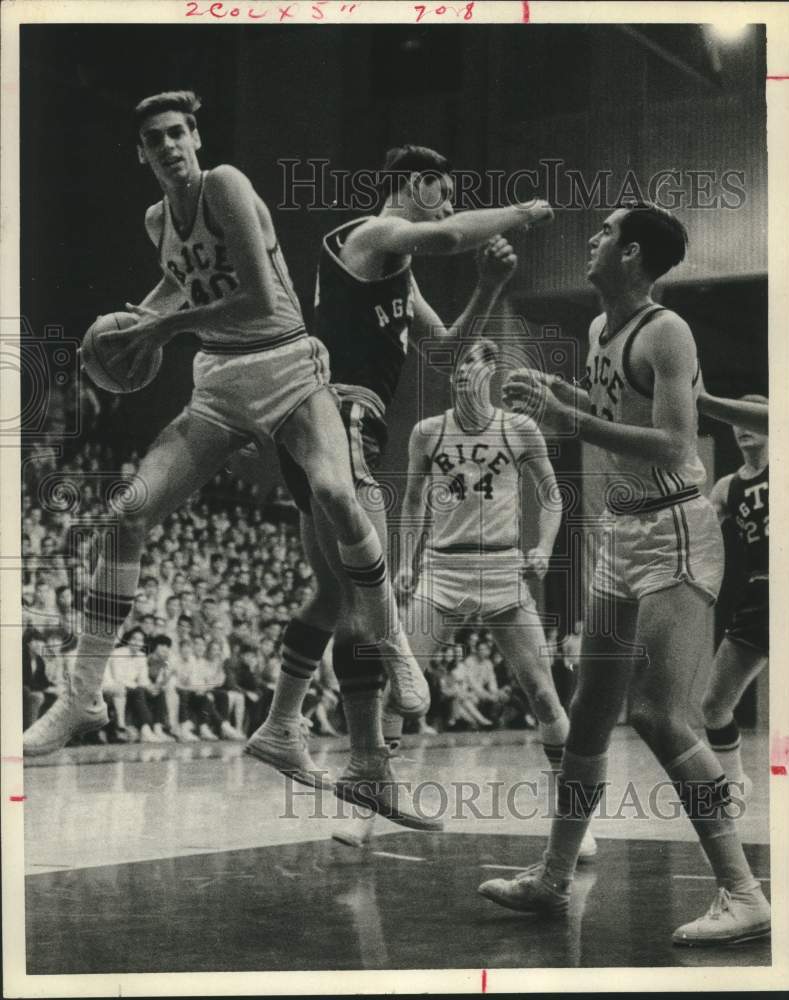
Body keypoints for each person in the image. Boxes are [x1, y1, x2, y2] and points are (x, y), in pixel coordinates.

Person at [23, 90, 426, 756]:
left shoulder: (226, 186)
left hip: (288, 366)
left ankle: (391, 637)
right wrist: (134, 324)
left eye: (177, 132)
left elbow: (258, 296)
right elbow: (180, 284)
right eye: (154, 139)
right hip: (219, 384)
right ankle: (82, 696)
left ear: (196, 138)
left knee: (335, 493)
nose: (168, 145)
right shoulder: (158, 220)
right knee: (126, 515)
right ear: (142, 154)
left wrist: (163, 328)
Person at [481, 203, 770, 946]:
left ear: (634, 253)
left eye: (605, 233)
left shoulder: (666, 330)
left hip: (674, 530)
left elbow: (673, 443)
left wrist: (566, 420)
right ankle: (553, 875)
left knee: (658, 714)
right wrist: (558, 395)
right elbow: (617, 408)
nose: (592, 239)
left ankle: (743, 894)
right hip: (620, 534)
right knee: (588, 713)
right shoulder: (597, 330)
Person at [248, 144, 553, 824]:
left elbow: (445, 352)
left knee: (335, 593)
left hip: (323, 428)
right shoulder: (371, 235)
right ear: (414, 185)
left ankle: (281, 726)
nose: (448, 208)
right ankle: (367, 764)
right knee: (368, 592)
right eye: (442, 192)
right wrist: (521, 213)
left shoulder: (399, 272)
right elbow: (446, 236)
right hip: (341, 419)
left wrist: (488, 287)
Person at [392, 338, 594, 857]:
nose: (464, 374)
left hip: (503, 568)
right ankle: (372, 804)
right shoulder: (428, 431)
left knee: (543, 692)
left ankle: (573, 817)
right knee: (400, 682)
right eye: (459, 367)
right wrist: (405, 561)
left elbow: (553, 496)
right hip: (442, 567)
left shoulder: (519, 428)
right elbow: (413, 501)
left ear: (491, 378)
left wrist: (543, 547)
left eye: (475, 368)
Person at [702, 397, 768, 795]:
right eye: (736, 421)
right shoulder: (727, 486)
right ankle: (734, 783)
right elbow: (701, 534)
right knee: (713, 705)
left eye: (751, 418)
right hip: (760, 592)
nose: (742, 426)